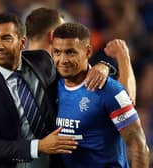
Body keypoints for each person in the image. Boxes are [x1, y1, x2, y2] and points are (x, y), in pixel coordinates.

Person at [0, 13, 79, 168]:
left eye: (6, 38)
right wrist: (39, 146)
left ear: (22, 42)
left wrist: (104, 67)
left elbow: (78, 73)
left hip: (57, 162)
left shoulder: (42, 60)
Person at [51, 22, 149, 168]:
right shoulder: (52, 85)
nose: (63, 60)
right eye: (57, 52)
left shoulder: (109, 90)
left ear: (88, 52)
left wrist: (115, 61)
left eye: (71, 52)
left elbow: (139, 148)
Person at [24, 7, 136, 103]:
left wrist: (104, 66)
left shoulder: (13, 69)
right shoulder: (63, 72)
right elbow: (126, 102)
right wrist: (123, 57)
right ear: (53, 36)